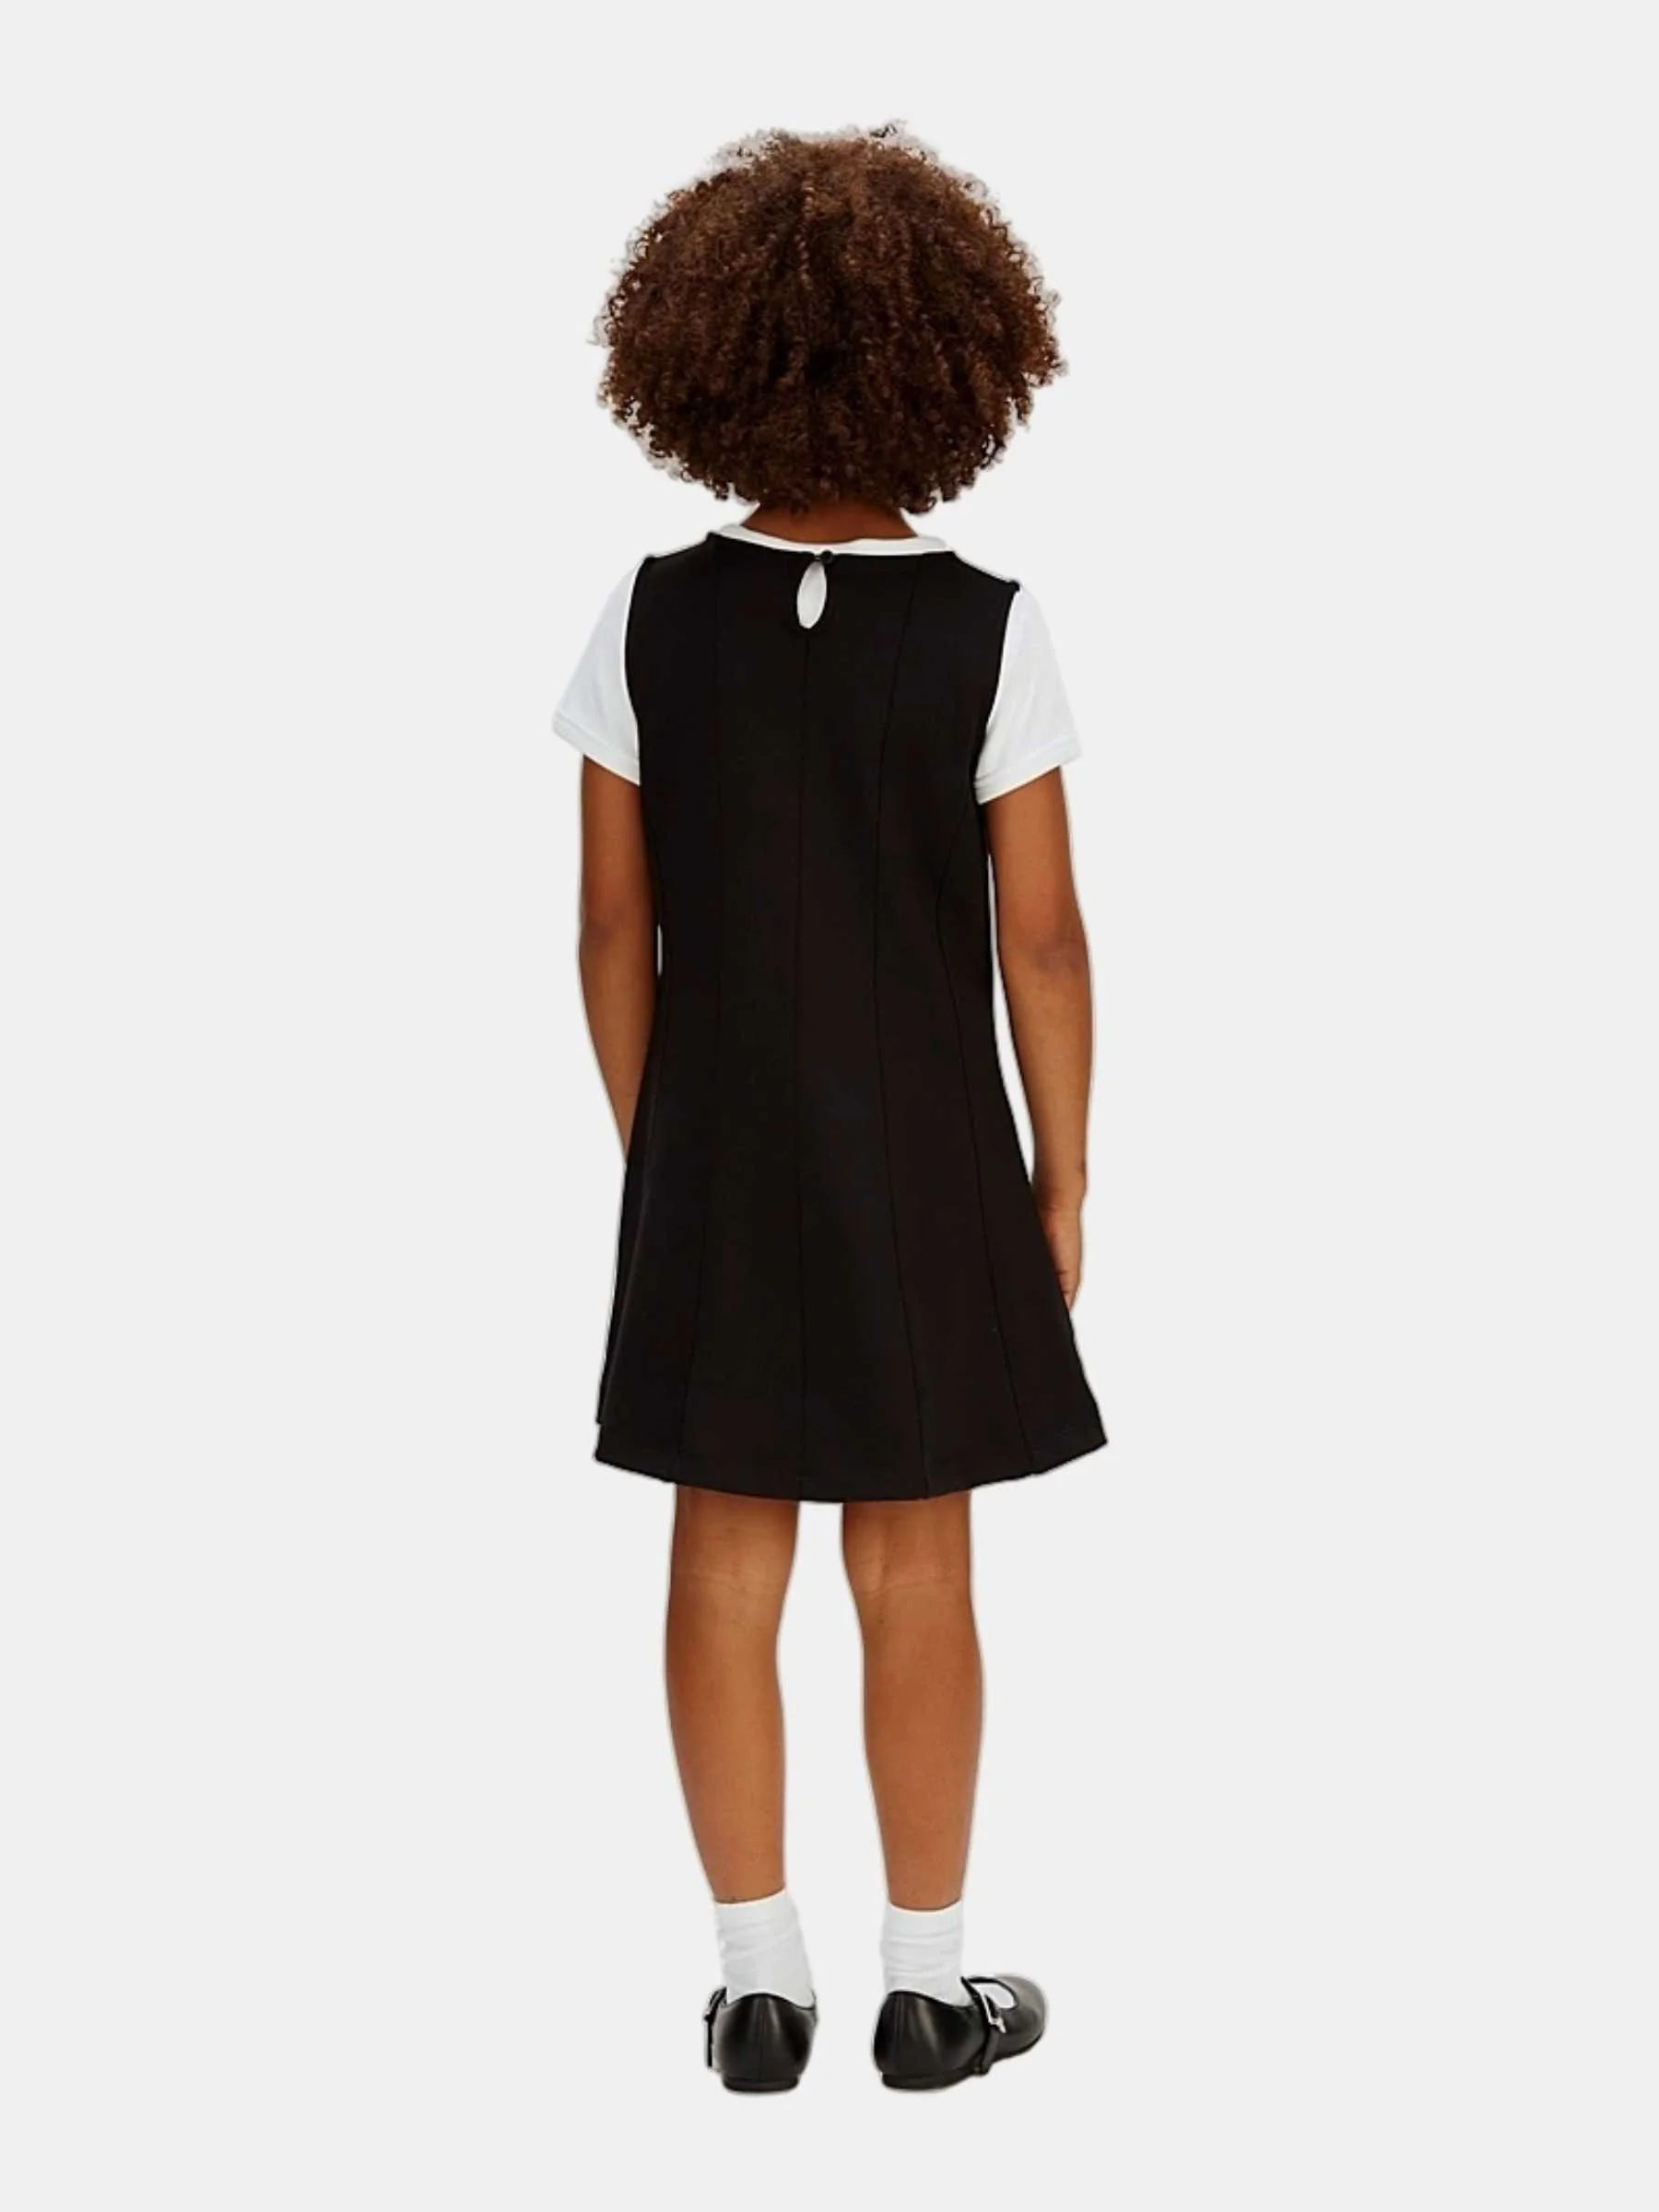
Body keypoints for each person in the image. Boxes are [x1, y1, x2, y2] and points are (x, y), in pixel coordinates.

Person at [553, 122, 1105, 2093]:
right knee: (916, 1564)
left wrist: (667, 1147)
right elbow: (1043, 942)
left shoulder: (647, 616)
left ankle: (758, 1984)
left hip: (717, 1161)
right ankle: (930, 1993)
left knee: (722, 1558)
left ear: (702, 358)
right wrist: (1060, 1183)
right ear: (953, 363)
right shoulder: (986, 626)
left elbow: (609, 926)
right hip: (930, 1166)